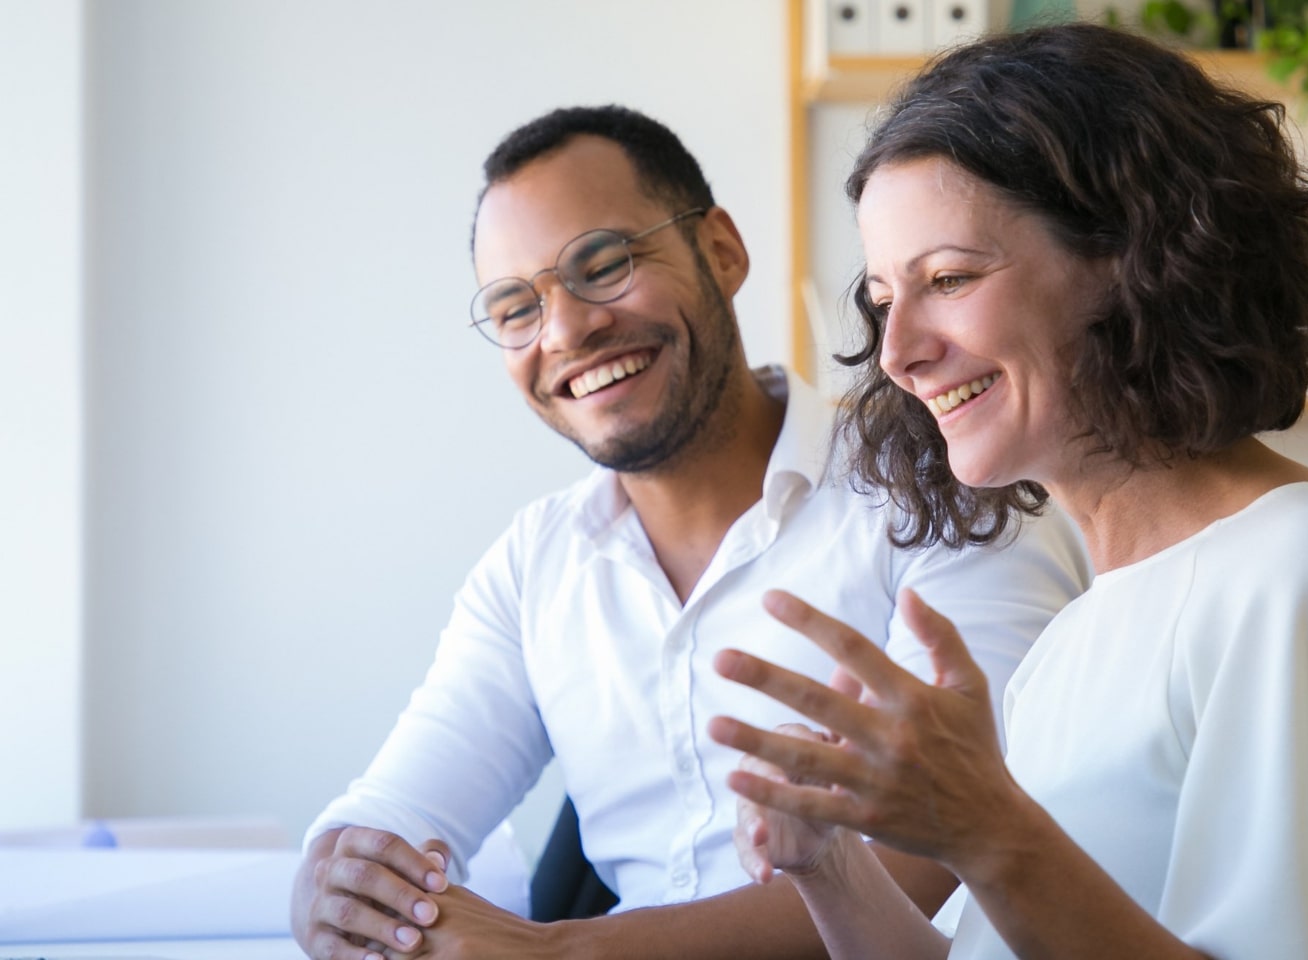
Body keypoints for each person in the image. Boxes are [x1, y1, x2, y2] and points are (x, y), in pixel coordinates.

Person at [707, 24, 1308, 960]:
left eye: (948, 278)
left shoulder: (1307, 578)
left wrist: (989, 831)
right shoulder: (1079, 634)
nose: (898, 352)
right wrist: (825, 861)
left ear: (1135, 259)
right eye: (880, 298)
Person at [289, 105, 1090, 960]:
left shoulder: (943, 486)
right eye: (516, 308)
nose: (565, 330)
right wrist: (336, 886)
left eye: (603, 264)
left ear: (721, 251)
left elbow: (954, 844)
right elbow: (385, 821)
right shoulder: (535, 565)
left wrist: (567, 953)